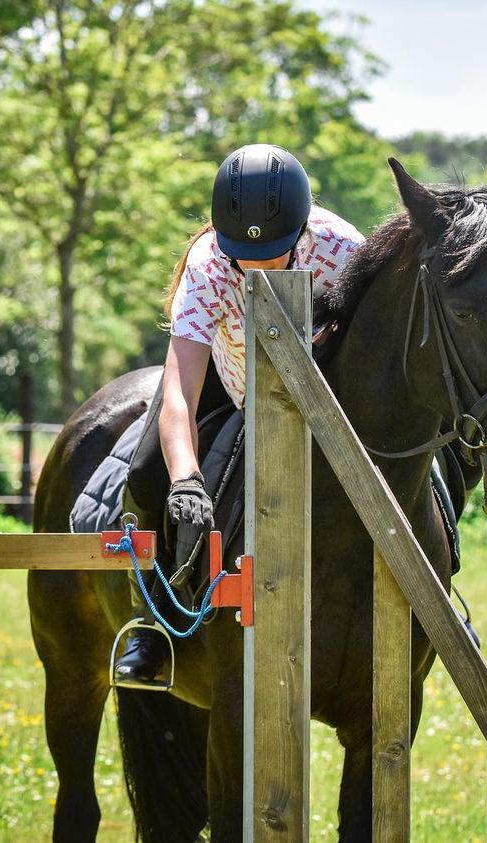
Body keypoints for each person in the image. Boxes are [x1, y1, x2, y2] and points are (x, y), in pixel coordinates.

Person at [114, 143, 365, 684]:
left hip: (332, 397)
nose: (256, 265)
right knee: (147, 469)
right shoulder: (207, 266)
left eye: (273, 251)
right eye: (243, 253)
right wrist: (185, 480)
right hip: (232, 384)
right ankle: (151, 623)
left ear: (303, 229)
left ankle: (439, 596)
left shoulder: (345, 249)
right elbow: (179, 389)